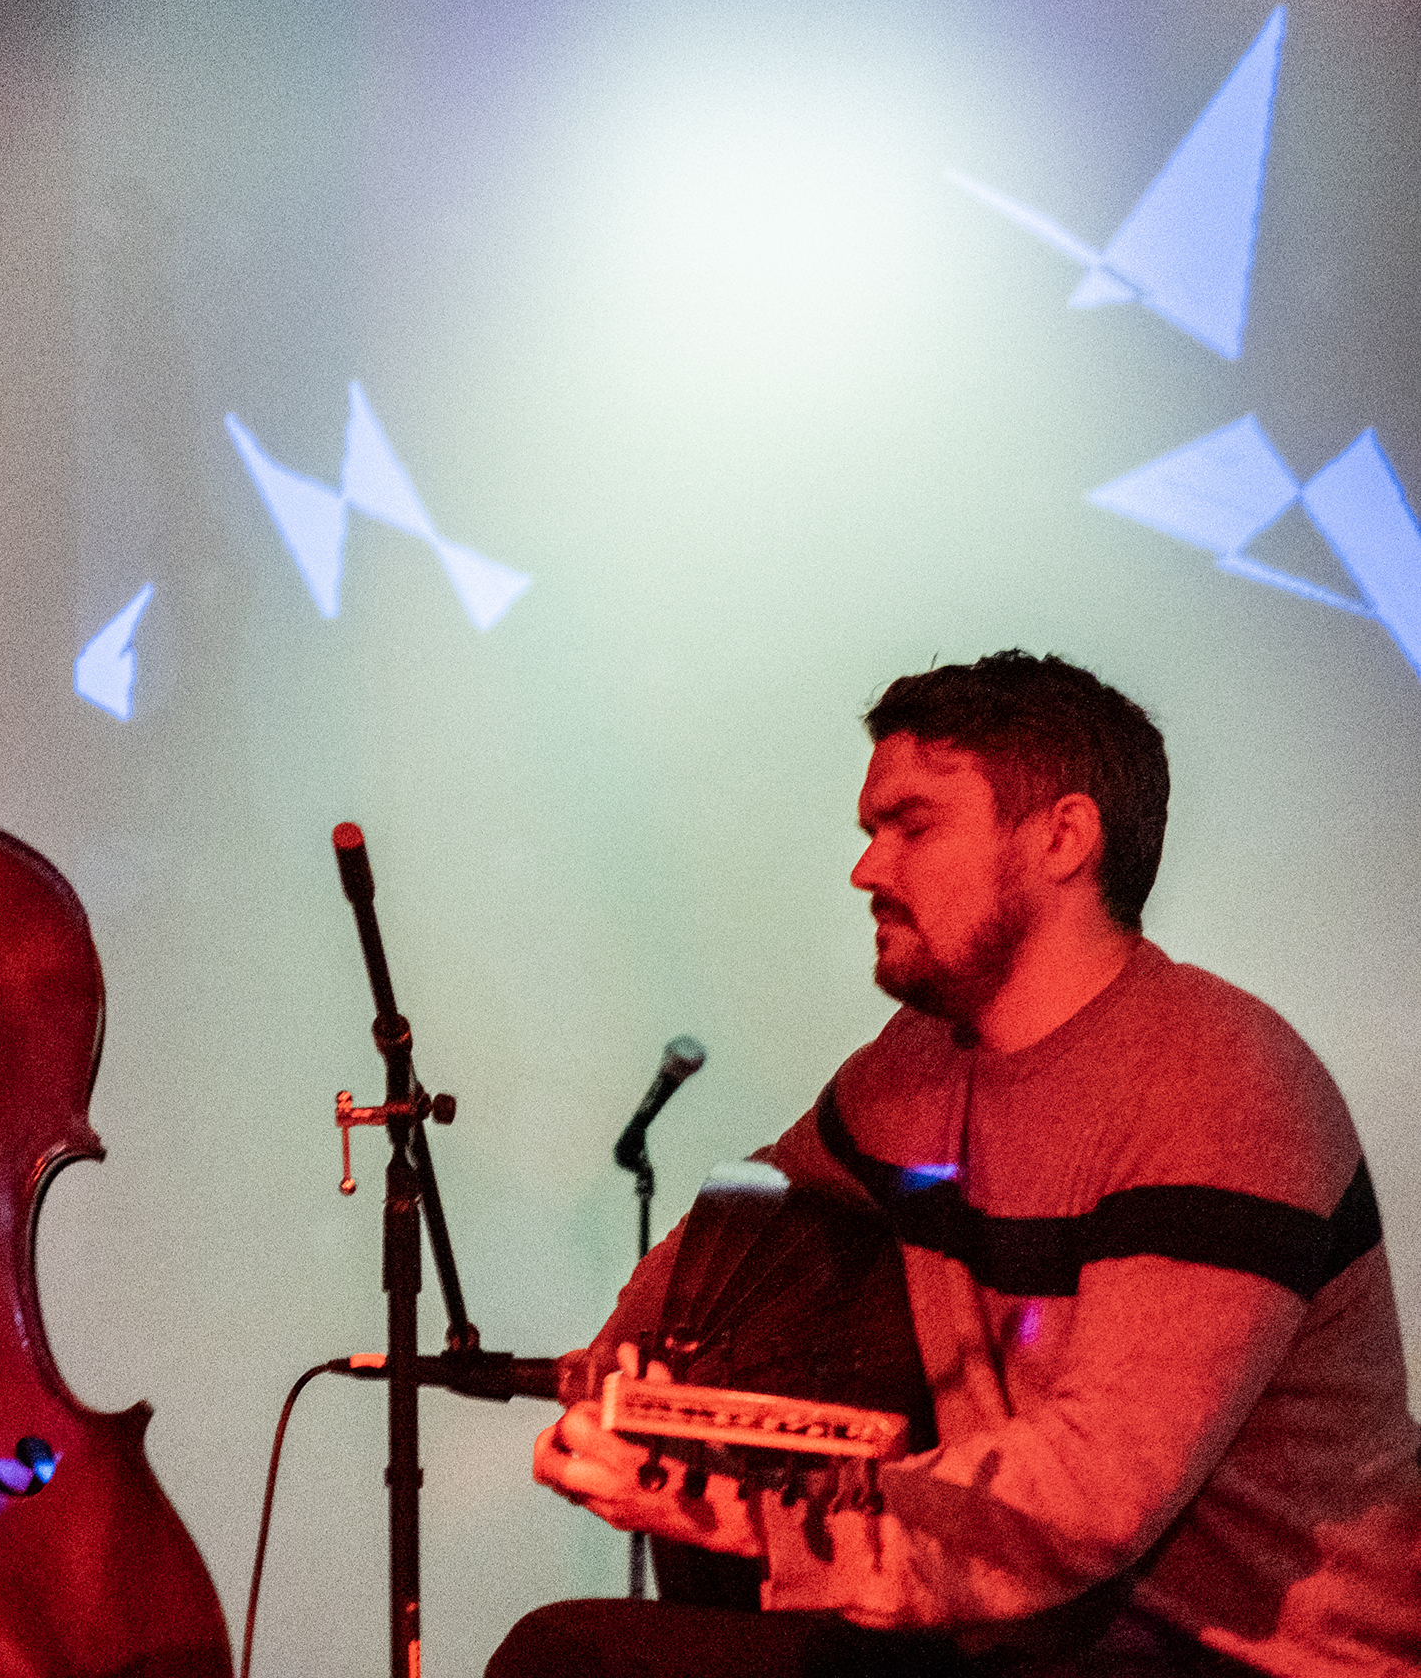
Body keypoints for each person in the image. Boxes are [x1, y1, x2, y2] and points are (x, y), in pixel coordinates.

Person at [503, 652, 1421, 1677]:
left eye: (914, 826)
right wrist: (621, 1381)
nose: (867, 868)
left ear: (1062, 839)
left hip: (1242, 1658)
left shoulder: (1223, 1085)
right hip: (1040, 1628)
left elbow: (1087, 1498)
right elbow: (758, 1202)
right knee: (581, 1653)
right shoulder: (920, 1067)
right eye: (870, 832)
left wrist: (739, 1512)